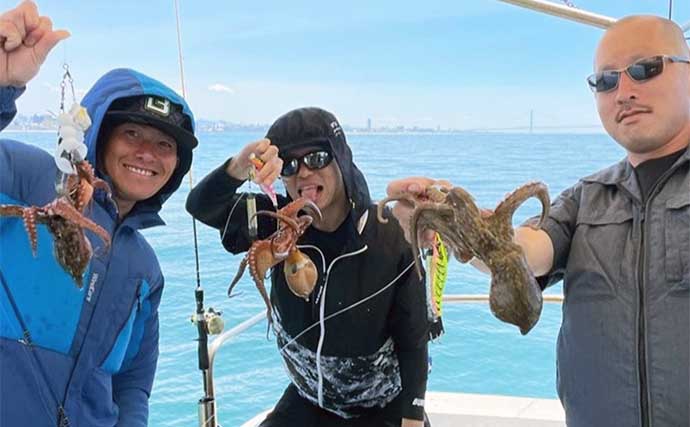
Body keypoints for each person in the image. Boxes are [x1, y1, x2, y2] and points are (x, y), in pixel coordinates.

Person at [386, 15, 689, 427]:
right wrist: (455, 223)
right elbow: (525, 251)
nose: (624, 92)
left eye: (644, 69)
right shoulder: (586, 199)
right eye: (605, 81)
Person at [0, 2, 199, 426]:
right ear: (98, 137)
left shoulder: (146, 267)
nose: (148, 153)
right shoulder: (27, 177)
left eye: (165, 145)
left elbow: (132, 382)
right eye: (131, 133)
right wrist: (2, 86)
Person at [186, 107, 431, 427]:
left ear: (341, 159)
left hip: (381, 407)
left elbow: (414, 342)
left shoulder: (391, 234)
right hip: (308, 399)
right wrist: (239, 166)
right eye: (288, 164)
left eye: (317, 158)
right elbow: (201, 206)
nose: (302, 173)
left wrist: (412, 418)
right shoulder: (275, 223)